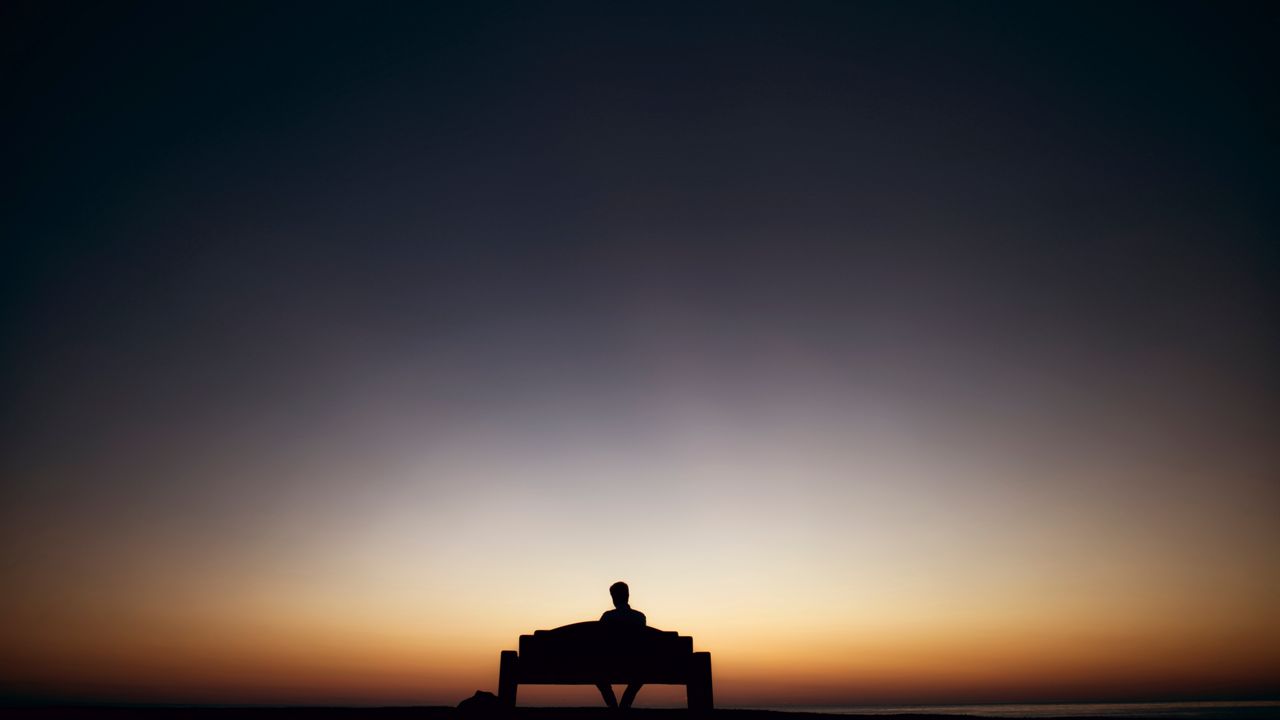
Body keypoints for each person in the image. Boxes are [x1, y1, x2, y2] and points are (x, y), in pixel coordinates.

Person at [596, 581, 645, 709]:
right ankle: (624, 706)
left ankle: (613, 706)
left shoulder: (607, 617)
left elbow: (599, 643)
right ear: (628, 595)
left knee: (599, 676)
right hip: (635, 665)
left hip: (610, 665)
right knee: (641, 675)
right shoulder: (640, 618)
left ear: (613, 598)